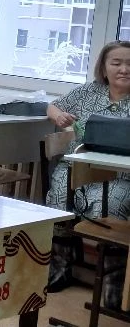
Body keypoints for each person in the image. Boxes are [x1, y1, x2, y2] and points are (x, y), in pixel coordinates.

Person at [44, 40, 130, 306]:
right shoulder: (88, 91)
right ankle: (61, 266)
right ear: (104, 68)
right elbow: (53, 105)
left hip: (121, 175)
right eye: (116, 63)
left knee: (113, 203)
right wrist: (58, 117)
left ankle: (114, 281)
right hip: (78, 167)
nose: (124, 69)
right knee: (60, 195)